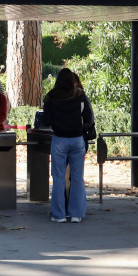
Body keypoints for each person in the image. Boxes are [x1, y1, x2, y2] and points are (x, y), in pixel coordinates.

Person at [43, 68, 94, 223]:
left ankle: (58, 215)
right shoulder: (80, 95)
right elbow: (89, 118)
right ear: (72, 81)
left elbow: (46, 120)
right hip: (77, 140)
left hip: (59, 139)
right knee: (77, 177)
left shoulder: (51, 97)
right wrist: (83, 128)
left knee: (58, 177)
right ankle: (76, 214)